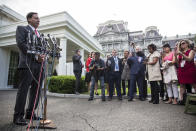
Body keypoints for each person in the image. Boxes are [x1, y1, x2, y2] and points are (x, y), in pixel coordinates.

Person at [13, 12, 45, 125]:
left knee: (36, 90)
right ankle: (18, 116)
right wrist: (36, 56)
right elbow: (21, 44)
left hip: (39, 66)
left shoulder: (40, 34)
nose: (38, 20)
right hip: (27, 64)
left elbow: (42, 48)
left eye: (39, 18)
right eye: (36, 18)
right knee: (23, 90)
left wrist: (42, 55)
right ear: (29, 19)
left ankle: (30, 113)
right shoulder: (22, 29)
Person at [175, 40, 196, 104]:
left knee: (193, 84)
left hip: (190, 69)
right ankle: (181, 99)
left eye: (183, 43)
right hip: (182, 70)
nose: (182, 45)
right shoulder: (180, 52)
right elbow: (178, 63)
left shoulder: (191, 51)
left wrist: (181, 54)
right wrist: (176, 56)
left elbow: (189, 59)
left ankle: (194, 99)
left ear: (187, 44)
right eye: (181, 44)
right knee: (182, 85)